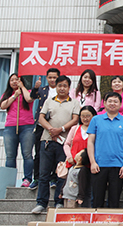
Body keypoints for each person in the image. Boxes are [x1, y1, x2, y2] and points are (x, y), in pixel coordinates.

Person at [31, 75, 80, 214]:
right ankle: (41, 202)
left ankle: (59, 201)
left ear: (69, 88)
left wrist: (61, 129)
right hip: (47, 140)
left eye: (65, 86)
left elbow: (75, 119)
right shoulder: (49, 101)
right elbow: (41, 118)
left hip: (64, 142)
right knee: (44, 173)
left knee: (61, 174)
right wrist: (51, 129)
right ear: (56, 87)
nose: (62, 88)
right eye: (59, 86)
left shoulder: (74, 103)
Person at [87, 92, 123, 208]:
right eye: (110, 101)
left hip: (118, 165)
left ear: (120, 104)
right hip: (99, 164)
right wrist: (92, 162)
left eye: (115, 101)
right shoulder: (96, 120)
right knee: (97, 200)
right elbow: (90, 142)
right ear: (104, 103)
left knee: (114, 200)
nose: (112, 103)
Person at [0, 73, 35, 187]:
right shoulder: (7, 94)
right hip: (10, 126)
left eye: (17, 80)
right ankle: (9, 180)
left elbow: (29, 99)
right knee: (10, 155)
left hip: (27, 126)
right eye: (12, 80)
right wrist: (14, 96)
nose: (14, 82)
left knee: (27, 154)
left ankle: (27, 179)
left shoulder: (27, 92)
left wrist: (22, 88)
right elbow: (3, 106)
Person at [29, 68, 60, 190]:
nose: (52, 80)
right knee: (38, 152)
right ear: (46, 78)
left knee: (57, 152)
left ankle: (53, 178)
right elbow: (32, 97)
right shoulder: (42, 90)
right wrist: (35, 88)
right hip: (41, 125)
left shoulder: (62, 91)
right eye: (50, 77)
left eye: (55, 77)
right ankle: (36, 178)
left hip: (57, 126)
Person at [63, 105, 95, 207]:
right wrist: (69, 157)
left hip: (90, 165)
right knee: (72, 189)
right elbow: (67, 144)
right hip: (75, 164)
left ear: (93, 116)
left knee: (88, 191)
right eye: (83, 116)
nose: (85, 118)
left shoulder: (96, 129)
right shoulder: (75, 128)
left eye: (88, 116)